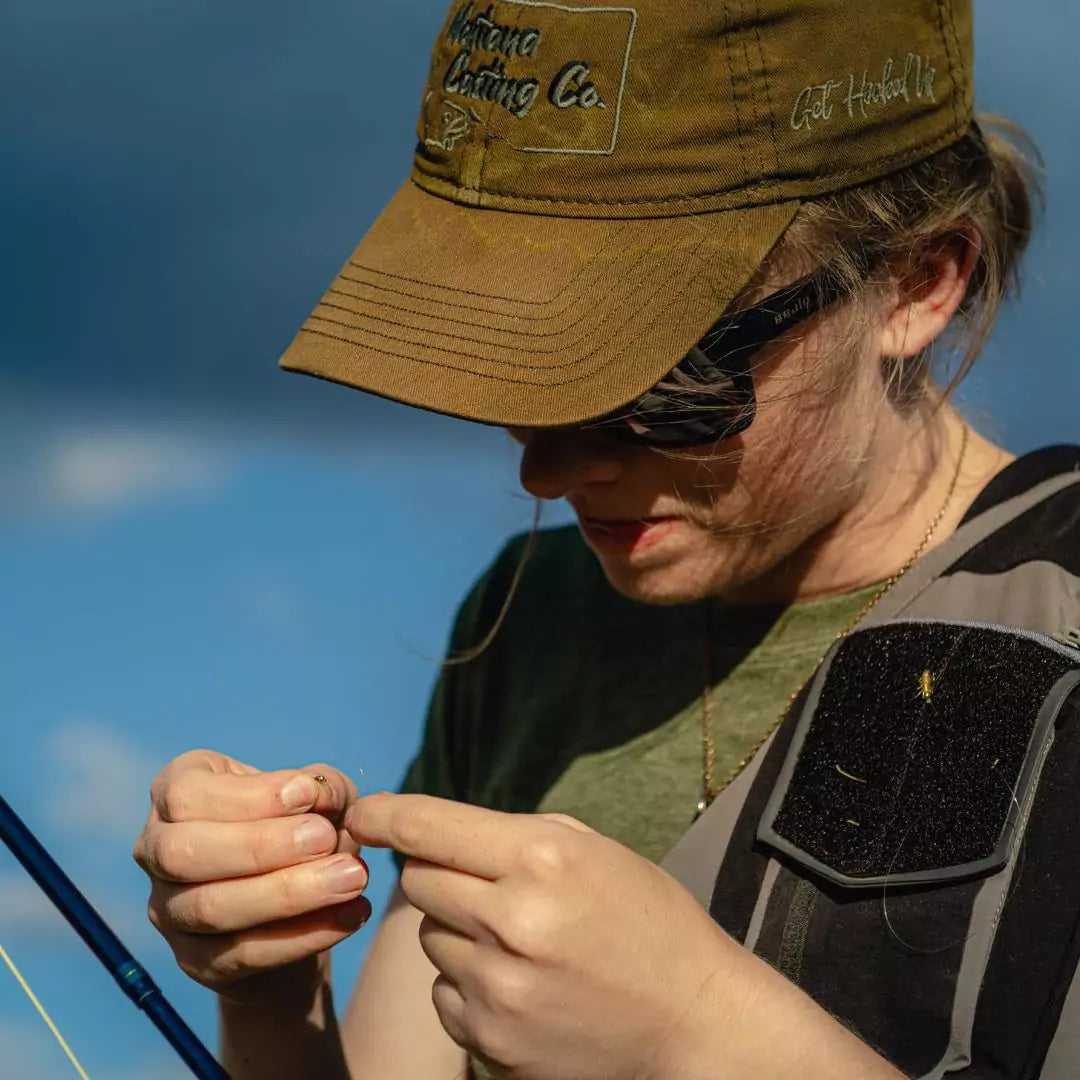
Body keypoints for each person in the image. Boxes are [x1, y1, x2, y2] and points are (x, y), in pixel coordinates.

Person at [134, 1, 1080, 1077]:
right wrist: (271, 992)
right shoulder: (537, 623)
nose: (544, 471)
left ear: (918, 282)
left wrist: (696, 1029)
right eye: (512, 376)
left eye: (657, 383)